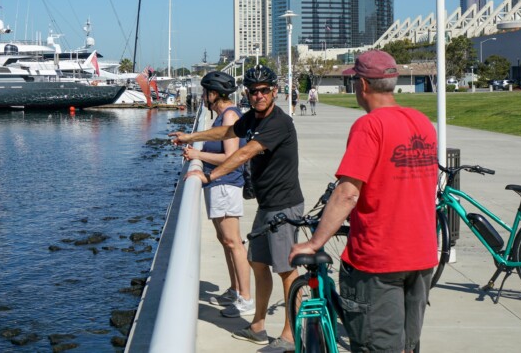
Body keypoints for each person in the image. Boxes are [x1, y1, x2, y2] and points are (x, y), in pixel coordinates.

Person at [289, 50, 439, 353]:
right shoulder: (422, 123)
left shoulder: (370, 126)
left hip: (379, 260)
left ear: (363, 85)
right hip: (421, 256)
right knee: (408, 346)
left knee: (377, 346)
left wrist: (315, 242)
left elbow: (348, 192)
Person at [170, 65, 303, 353]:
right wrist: (189, 137)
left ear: (274, 92)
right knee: (258, 262)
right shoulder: (252, 118)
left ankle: (291, 336)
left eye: (264, 90)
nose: (259, 96)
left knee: (286, 270)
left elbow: (244, 153)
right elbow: (227, 131)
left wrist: (209, 175)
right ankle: (257, 326)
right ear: (247, 94)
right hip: (266, 204)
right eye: (253, 91)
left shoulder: (278, 122)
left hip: (284, 204)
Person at [181, 71, 253, 317]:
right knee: (226, 242)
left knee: (234, 243)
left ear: (213, 94)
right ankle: (235, 289)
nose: (202, 97)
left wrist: (197, 155)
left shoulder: (230, 115)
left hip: (226, 185)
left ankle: (245, 298)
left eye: (205, 92)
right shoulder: (224, 115)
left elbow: (230, 158)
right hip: (218, 186)